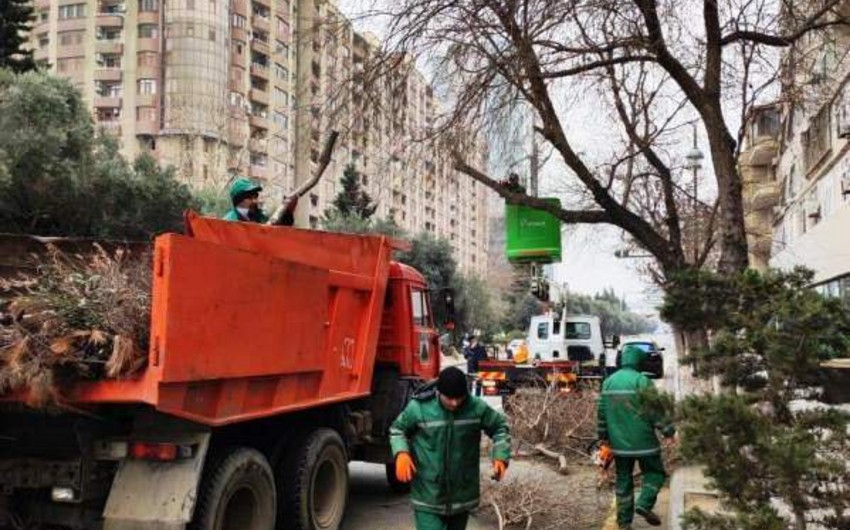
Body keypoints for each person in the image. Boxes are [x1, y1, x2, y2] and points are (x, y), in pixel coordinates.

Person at [390, 367, 511, 530]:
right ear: (439, 393)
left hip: (462, 493)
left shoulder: (475, 407)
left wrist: (500, 456)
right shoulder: (419, 407)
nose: (455, 403)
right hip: (428, 494)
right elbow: (398, 430)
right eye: (449, 398)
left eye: (459, 398)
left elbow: (500, 427)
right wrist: (401, 453)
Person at [597, 344, 676, 530]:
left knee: (623, 481)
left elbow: (601, 414)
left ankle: (624, 523)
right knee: (655, 473)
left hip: (619, 445)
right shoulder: (643, 381)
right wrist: (669, 432)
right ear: (639, 362)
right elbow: (656, 411)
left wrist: (603, 439)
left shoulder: (608, 382)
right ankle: (644, 504)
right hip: (645, 443)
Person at [223, 177, 298, 225]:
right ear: (240, 200)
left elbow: (276, 232)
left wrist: (288, 212)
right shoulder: (229, 222)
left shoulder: (261, 217)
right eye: (250, 197)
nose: (255, 201)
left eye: (256, 196)